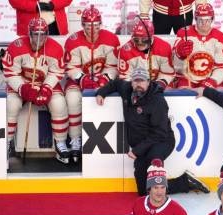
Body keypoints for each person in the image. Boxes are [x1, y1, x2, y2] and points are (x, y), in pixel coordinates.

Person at [95, 67, 210, 196]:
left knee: (152, 176)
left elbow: (159, 133)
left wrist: (137, 150)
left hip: (162, 141)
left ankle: (184, 183)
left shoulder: (157, 101)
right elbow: (115, 83)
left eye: (142, 81)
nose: (138, 84)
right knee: (144, 191)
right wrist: (101, 92)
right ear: (131, 82)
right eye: (136, 81)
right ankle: (185, 181)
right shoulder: (127, 89)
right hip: (143, 145)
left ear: (148, 82)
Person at [2, 18, 71, 164]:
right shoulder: (16, 46)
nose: (39, 38)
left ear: (47, 33)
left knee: (59, 103)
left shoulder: (56, 48)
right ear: (29, 33)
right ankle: (6, 143)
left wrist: (46, 88)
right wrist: (23, 88)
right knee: (11, 104)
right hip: (22, 84)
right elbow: (10, 72)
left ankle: (60, 143)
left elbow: (57, 72)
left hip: (45, 83)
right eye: (35, 34)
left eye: (43, 34)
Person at [64, 5, 120, 163]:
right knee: (72, 99)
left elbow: (113, 66)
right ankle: (75, 139)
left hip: (104, 81)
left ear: (100, 24)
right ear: (82, 25)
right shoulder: (73, 40)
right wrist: (82, 78)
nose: (92, 29)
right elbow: (71, 67)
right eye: (88, 26)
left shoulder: (111, 38)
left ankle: (105, 142)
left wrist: (105, 79)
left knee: (110, 102)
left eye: (96, 25)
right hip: (78, 81)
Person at [173, 3, 223, 88]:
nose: (204, 23)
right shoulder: (183, 33)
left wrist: (213, 80)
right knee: (183, 93)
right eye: (200, 20)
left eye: (207, 19)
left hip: (210, 77)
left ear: (212, 19)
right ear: (195, 19)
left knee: (220, 91)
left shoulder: (220, 37)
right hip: (187, 78)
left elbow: (221, 66)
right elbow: (175, 66)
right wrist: (180, 55)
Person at [118, 18, 175, 89]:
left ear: (151, 37)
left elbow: (167, 73)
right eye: (136, 40)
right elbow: (125, 77)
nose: (140, 43)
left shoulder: (164, 47)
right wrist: (138, 87)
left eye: (144, 40)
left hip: (158, 84)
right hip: (136, 86)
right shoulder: (125, 50)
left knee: (168, 87)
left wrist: (159, 84)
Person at [139, 0, 207, 35]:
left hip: (184, 13)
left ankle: (185, 62)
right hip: (160, 14)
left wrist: (201, 9)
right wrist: (144, 14)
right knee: (159, 42)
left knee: (184, 43)